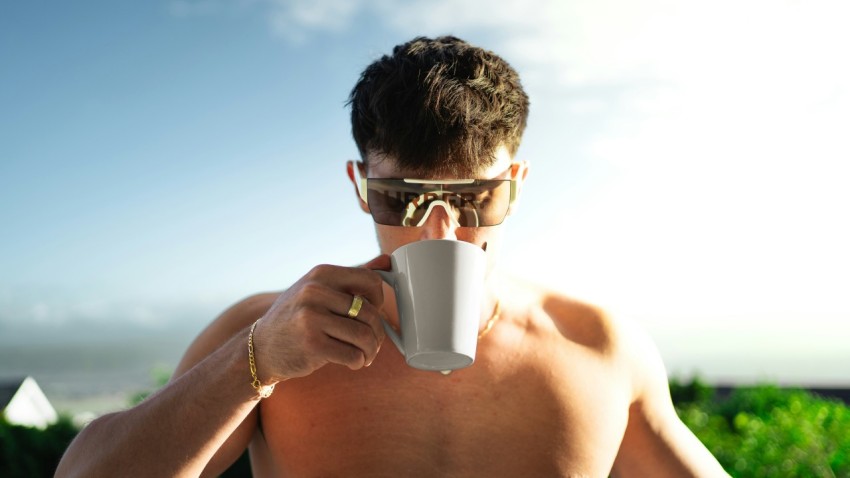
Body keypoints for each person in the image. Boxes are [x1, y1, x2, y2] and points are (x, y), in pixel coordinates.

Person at [57, 35, 728, 477]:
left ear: (514, 189)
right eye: (402, 200)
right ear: (360, 187)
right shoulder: (266, 333)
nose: (439, 231)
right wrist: (254, 360)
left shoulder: (596, 347)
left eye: (472, 200)